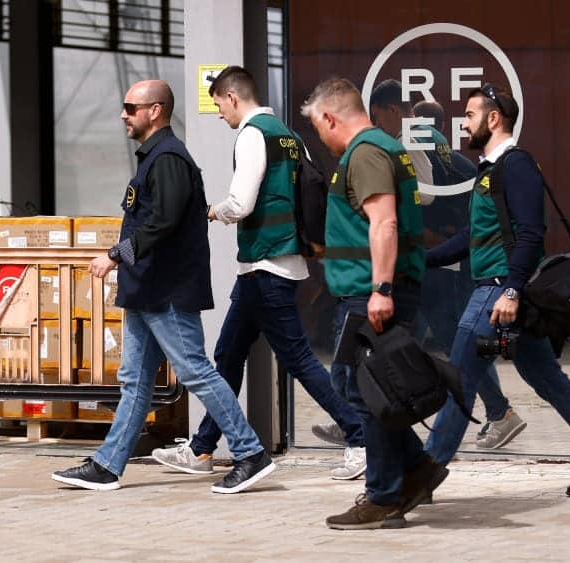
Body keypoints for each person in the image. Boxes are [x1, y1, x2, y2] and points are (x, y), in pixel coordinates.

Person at [51, 80, 275, 493]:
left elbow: (163, 222)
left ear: (155, 111)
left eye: (130, 108)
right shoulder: (154, 158)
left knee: (195, 370)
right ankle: (108, 465)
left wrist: (116, 255)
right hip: (146, 291)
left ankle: (250, 452)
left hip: (167, 291)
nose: (124, 115)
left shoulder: (169, 158)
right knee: (134, 381)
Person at [150, 66, 366, 481]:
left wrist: (210, 212)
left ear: (232, 97)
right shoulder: (288, 135)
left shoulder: (253, 134)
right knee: (228, 355)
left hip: (266, 264)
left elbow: (241, 203)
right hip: (272, 264)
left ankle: (359, 437)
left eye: (219, 105)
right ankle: (201, 448)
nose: (219, 114)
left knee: (298, 359)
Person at [424, 84, 570, 497]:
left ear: (493, 119)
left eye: (469, 115)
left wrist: (512, 290)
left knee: (460, 380)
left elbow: (532, 233)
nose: (463, 123)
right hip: (501, 291)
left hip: (497, 293)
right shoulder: (490, 169)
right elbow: (471, 236)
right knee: (549, 381)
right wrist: (421, 260)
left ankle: (422, 474)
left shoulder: (515, 165)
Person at [302, 77, 447, 529]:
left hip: (371, 292)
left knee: (366, 391)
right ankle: (418, 468)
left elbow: (384, 223)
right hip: (369, 288)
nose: (320, 139)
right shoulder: (381, 148)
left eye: (318, 128)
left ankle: (383, 495)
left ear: (330, 117)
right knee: (360, 386)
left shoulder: (365, 152)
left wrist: (381, 290)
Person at [412, 97, 523, 449]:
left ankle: (496, 413)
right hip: (453, 263)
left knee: (458, 347)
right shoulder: (459, 162)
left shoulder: (420, 157)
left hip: (443, 266)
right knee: (435, 343)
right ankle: (368, 416)